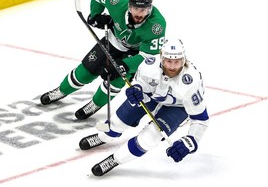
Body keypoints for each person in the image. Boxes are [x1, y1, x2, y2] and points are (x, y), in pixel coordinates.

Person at [78, 37, 209, 176]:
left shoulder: (191, 82)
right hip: (152, 95)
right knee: (116, 122)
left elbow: (201, 119)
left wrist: (190, 142)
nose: (172, 66)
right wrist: (136, 90)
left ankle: (115, 160)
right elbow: (140, 85)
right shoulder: (149, 65)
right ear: (161, 58)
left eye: (177, 62)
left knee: (149, 138)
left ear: (183, 60)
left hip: (177, 106)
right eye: (168, 61)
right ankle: (102, 136)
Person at [40, 0, 166, 120]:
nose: (139, 14)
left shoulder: (157, 26)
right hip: (112, 40)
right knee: (86, 71)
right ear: (129, 6)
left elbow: (149, 57)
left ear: (150, 8)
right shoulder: (118, 1)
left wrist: (125, 64)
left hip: (135, 53)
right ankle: (61, 91)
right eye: (136, 8)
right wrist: (95, 16)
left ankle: (95, 104)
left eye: (144, 10)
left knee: (116, 80)